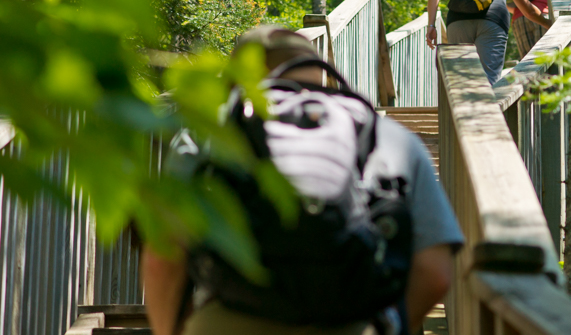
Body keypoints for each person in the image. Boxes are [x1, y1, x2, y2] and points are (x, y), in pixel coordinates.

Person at [142, 26, 464, 335]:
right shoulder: (386, 134)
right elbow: (435, 273)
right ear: (319, 72)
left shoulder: (213, 128)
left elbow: (164, 257)